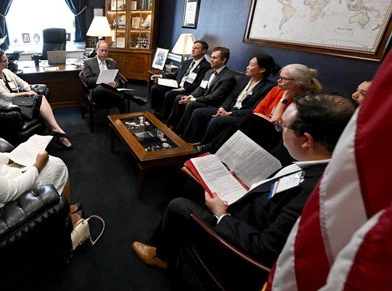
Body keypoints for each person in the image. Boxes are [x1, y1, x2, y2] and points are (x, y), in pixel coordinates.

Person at [132, 93, 356, 269]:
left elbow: (263, 249)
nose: (278, 128)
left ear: (306, 140)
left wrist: (221, 215)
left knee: (178, 205)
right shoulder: (321, 165)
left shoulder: (311, 194)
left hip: (240, 249)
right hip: (250, 209)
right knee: (192, 181)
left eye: (283, 126)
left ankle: (161, 256)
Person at [195, 63, 322, 154]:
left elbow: (276, 124)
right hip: (260, 125)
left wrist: (285, 98)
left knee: (250, 120)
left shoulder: (304, 101)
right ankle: (214, 151)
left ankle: (211, 148)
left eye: (283, 79)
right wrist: (267, 118)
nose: (278, 81)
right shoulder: (275, 89)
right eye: (279, 77)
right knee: (247, 126)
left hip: (279, 135)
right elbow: (257, 111)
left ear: (297, 83)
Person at [0, 49, 73, 149]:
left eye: (7, 59)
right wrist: (26, 93)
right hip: (7, 107)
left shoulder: (6, 72)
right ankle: (58, 131)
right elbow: (6, 96)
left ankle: (56, 129)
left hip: (18, 101)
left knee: (40, 98)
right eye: (4, 61)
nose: (8, 62)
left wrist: (27, 89)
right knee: (40, 103)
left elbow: (23, 83)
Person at [181, 54, 277, 144]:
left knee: (216, 121)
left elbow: (254, 110)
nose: (247, 67)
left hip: (242, 116)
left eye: (251, 65)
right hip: (228, 109)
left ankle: (204, 147)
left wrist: (229, 114)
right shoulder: (244, 79)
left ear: (262, 69)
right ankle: (186, 141)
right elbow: (231, 96)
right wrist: (222, 108)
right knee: (198, 112)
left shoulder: (268, 87)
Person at [166, 47, 237, 130]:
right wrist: (191, 96)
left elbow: (214, 96)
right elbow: (201, 88)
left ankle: (181, 130)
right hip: (204, 99)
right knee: (180, 97)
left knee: (191, 104)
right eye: (211, 57)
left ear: (223, 60)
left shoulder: (228, 76)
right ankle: (171, 125)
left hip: (213, 103)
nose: (211, 60)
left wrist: (193, 99)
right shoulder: (209, 72)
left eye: (214, 58)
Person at [81, 40, 147, 113]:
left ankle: (122, 121)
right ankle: (130, 97)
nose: (104, 53)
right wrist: (102, 80)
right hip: (97, 92)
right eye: (102, 50)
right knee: (100, 87)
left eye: (106, 51)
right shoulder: (88, 63)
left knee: (121, 101)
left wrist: (115, 83)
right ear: (96, 50)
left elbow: (118, 78)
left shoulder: (112, 63)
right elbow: (88, 81)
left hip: (112, 91)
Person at [149, 40, 210, 119]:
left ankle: (165, 116)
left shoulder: (206, 66)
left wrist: (182, 89)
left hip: (188, 89)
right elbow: (175, 74)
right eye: (192, 48)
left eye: (196, 48)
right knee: (155, 88)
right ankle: (157, 111)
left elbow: (198, 84)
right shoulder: (186, 62)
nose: (192, 50)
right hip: (176, 85)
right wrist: (160, 75)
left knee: (169, 94)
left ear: (203, 51)